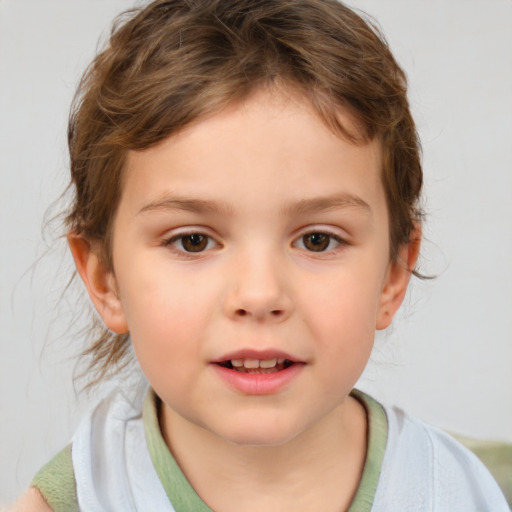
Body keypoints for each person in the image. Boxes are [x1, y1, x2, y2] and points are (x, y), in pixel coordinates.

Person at [12, 0, 509, 510]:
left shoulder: (467, 491)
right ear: (105, 280)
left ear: (393, 274)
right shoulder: (73, 502)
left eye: (317, 239)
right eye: (193, 241)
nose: (259, 294)